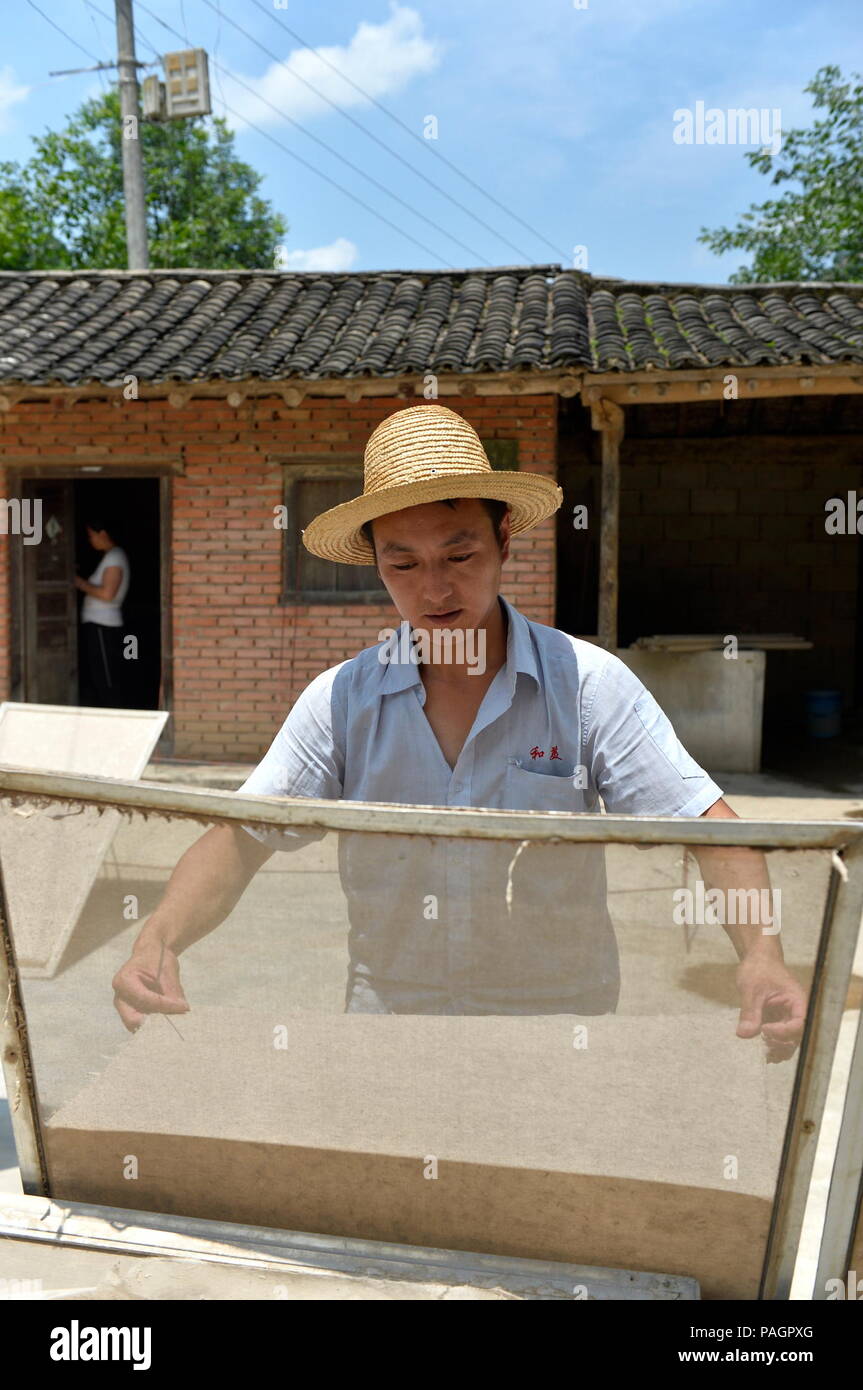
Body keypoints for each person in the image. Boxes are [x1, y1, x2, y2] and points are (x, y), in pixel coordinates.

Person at [112, 404, 806, 1060]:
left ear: (505, 537)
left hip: (557, 1021)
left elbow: (709, 829)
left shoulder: (587, 687)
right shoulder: (341, 701)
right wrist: (159, 937)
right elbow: (240, 837)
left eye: (459, 554)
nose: (434, 589)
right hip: (391, 1015)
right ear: (375, 564)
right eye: (403, 564)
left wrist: (760, 954)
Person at [74, 517, 131, 708]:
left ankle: (115, 720)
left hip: (103, 627)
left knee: (106, 679)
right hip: (99, 626)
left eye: (91, 535)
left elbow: (108, 594)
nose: (90, 540)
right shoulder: (111, 556)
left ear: (103, 533)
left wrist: (79, 583)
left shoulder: (115, 557)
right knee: (102, 677)